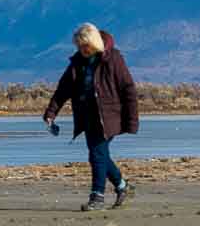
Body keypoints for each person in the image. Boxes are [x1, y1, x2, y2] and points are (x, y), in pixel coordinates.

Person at [42, 22, 139, 211]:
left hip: (108, 117)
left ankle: (97, 197)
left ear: (93, 42)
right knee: (100, 155)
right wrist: (51, 113)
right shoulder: (77, 62)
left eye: (84, 45)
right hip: (87, 116)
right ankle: (123, 187)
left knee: (96, 154)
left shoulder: (113, 58)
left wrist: (132, 120)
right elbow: (63, 89)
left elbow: (128, 88)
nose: (81, 49)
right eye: (79, 46)